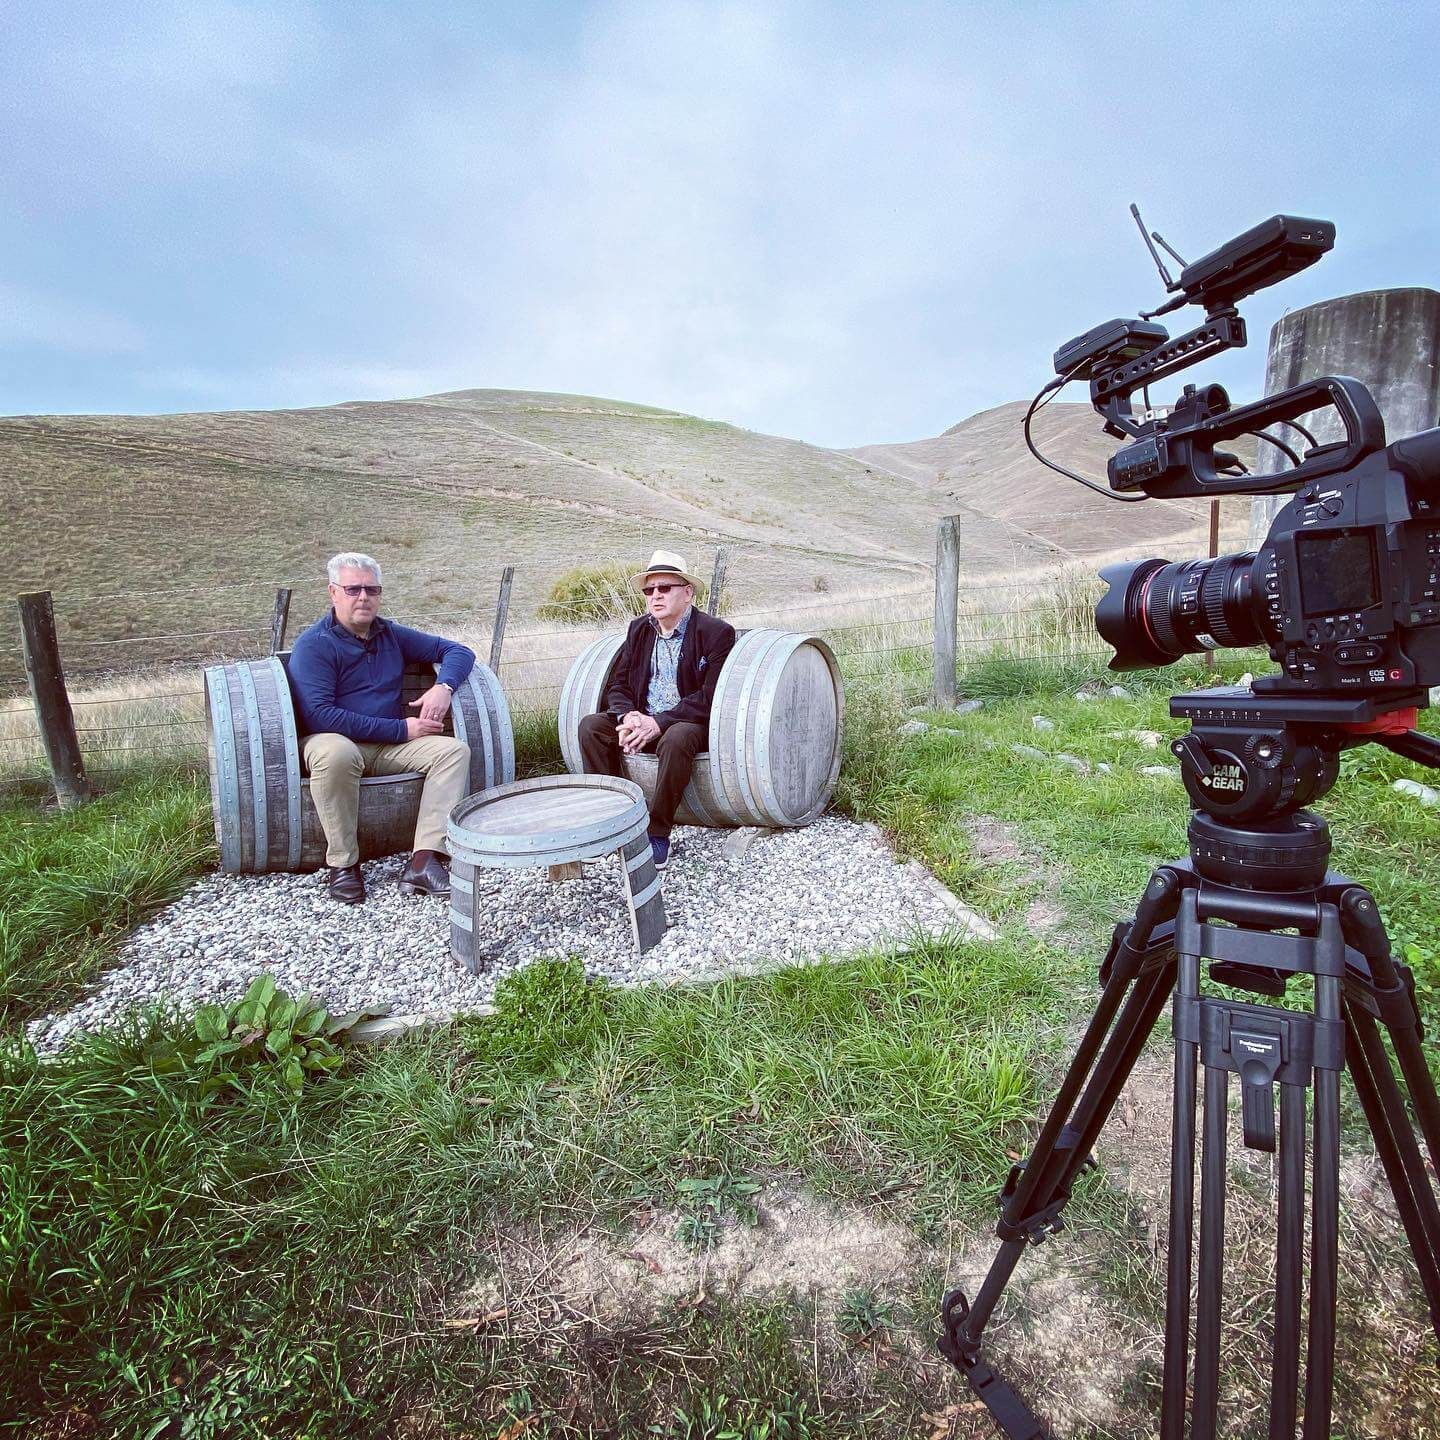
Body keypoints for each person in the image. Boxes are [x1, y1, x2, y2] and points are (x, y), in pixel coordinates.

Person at [287, 552, 474, 905]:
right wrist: (402, 730)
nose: (363, 597)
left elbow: (458, 651)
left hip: (387, 744)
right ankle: (343, 864)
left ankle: (424, 861)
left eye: (372, 590)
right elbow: (319, 716)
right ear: (333, 592)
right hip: (334, 740)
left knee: (452, 752)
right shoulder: (314, 645)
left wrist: (443, 687)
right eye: (353, 589)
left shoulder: (390, 634)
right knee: (336, 753)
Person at [577, 549, 735, 870]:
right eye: (649, 590)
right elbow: (618, 685)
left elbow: (710, 697)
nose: (655, 596)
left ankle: (657, 831)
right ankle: (612, 822)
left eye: (665, 588)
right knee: (591, 727)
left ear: (687, 592)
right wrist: (628, 716)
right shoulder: (639, 629)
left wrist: (658, 722)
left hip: (687, 724)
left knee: (677, 738)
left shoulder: (715, 633)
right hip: (643, 719)